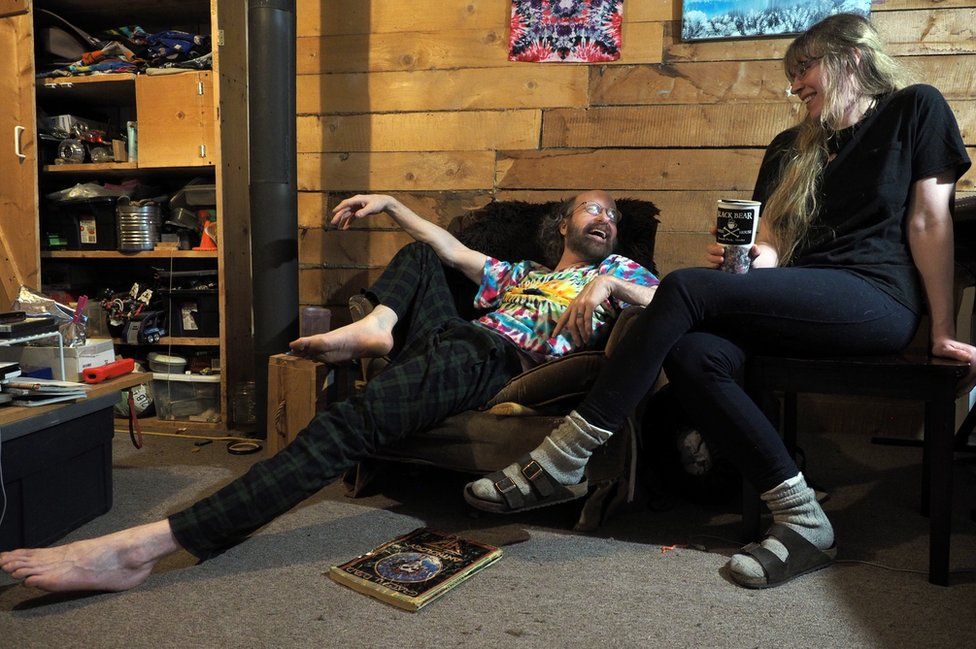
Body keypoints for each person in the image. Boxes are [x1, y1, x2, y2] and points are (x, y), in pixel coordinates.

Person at [466, 13, 973, 588]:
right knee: (695, 355)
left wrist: (941, 329)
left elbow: (930, 222)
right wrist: (756, 260)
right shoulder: (790, 147)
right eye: (791, 77)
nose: (795, 86)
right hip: (808, 294)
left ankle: (565, 456)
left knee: (685, 287)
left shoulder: (914, 108)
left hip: (878, 297)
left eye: (805, 70)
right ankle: (804, 519)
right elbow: (774, 249)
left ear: (851, 58)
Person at [0, 190, 659, 593]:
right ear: (564, 224)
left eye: (612, 213)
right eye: (592, 207)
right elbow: (446, 244)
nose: (604, 217)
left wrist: (611, 285)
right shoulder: (523, 273)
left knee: (343, 427)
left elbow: (670, 303)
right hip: (453, 335)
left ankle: (144, 546)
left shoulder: (624, 270)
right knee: (427, 255)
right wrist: (392, 205)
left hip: (494, 357)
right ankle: (379, 325)